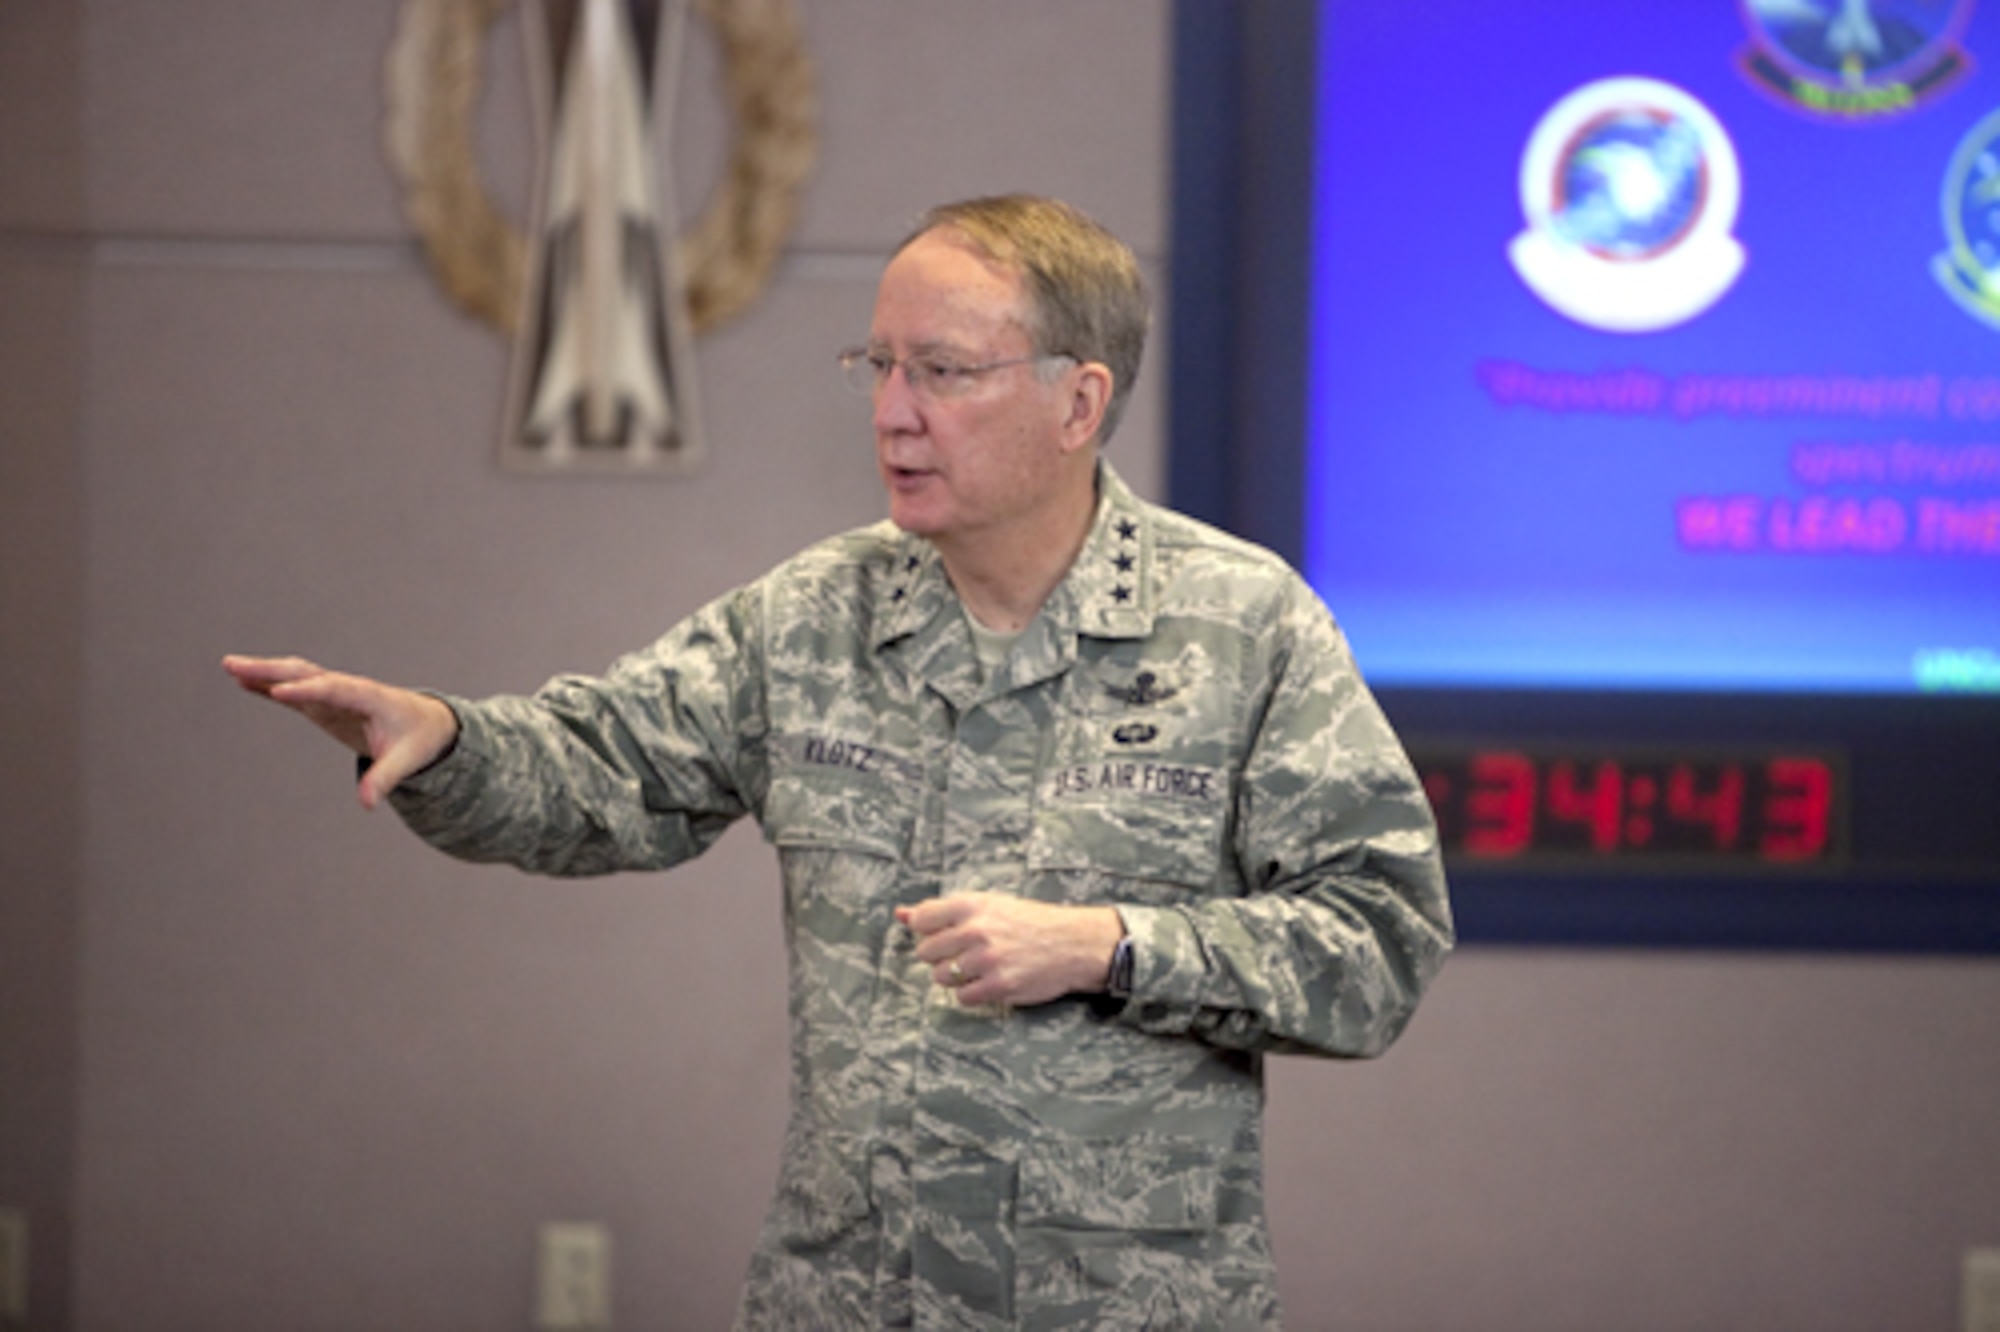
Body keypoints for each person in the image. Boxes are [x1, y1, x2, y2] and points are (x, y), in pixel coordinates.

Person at [225, 194, 1452, 1330]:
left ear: (1078, 403)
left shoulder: (1241, 627)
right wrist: (444, 740)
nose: (892, 410)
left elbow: (1380, 937)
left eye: (943, 372)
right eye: (879, 365)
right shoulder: (815, 616)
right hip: (853, 1300)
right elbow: (603, 767)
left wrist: (1110, 945)